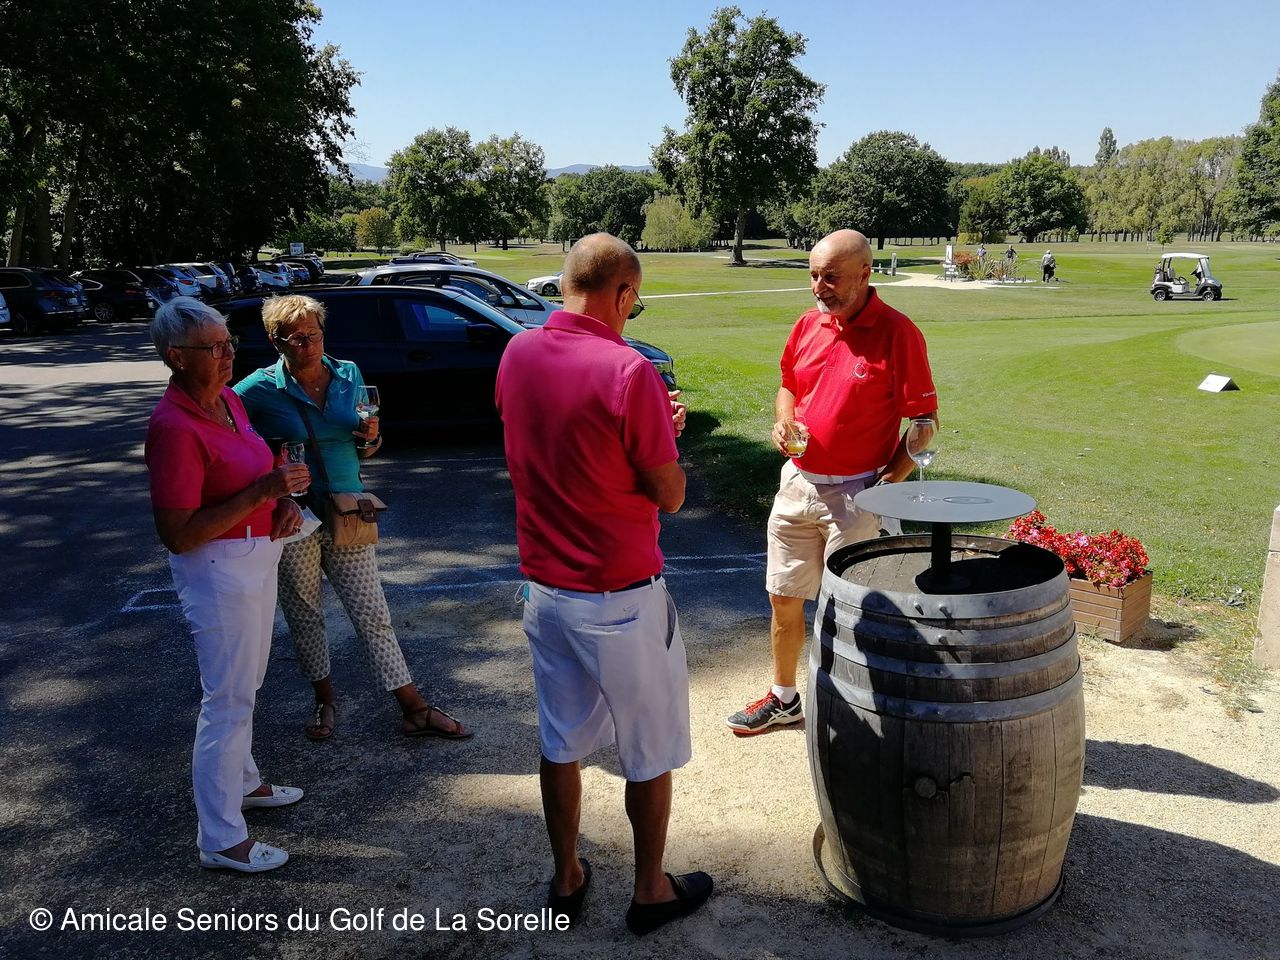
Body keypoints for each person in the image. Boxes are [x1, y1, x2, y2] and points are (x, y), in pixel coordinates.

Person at [495, 233, 712, 935]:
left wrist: (646, 431)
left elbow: (560, 438)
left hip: (544, 589)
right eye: (633, 302)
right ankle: (650, 890)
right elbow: (670, 494)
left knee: (561, 741)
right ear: (622, 294)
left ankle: (567, 875)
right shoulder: (629, 369)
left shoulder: (516, 352)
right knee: (648, 748)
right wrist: (664, 437)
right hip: (619, 594)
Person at [726, 229, 938, 735]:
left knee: (857, 608)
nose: (820, 287)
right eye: (814, 276)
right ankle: (784, 699)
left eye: (832, 277)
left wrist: (889, 481)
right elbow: (788, 384)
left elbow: (925, 423)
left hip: (858, 494)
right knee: (783, 596)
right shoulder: (808, 324)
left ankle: (859, 708)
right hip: (798, 483)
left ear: (865, 273)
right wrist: (784, 420)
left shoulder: (898, 332)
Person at [235, 295, 470, 742]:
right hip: (294, 517)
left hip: (348, 511)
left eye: (314, 335)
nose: (308, 346)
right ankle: (324, 700)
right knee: (304, 614)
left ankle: (414, 708)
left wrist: (371, 439)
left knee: (372, 612)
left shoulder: (349, 374)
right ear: (274, 341)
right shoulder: (256, 389)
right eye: (296, 339)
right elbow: (236, 448)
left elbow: (364, 447)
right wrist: (270, 488)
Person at [145, 297, 311, 873]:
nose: (227, 355)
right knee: (228, 698)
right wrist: (264, 493)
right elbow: (178, 534)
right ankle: (220, 838)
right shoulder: (174, 426)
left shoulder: (227, 400)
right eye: (213, 348)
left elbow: (258, 472)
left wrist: (282, 501)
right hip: (218, 570)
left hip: (255, 555)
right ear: (176, 357)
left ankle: (243, 782)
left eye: (228, 343)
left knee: (249, 682)